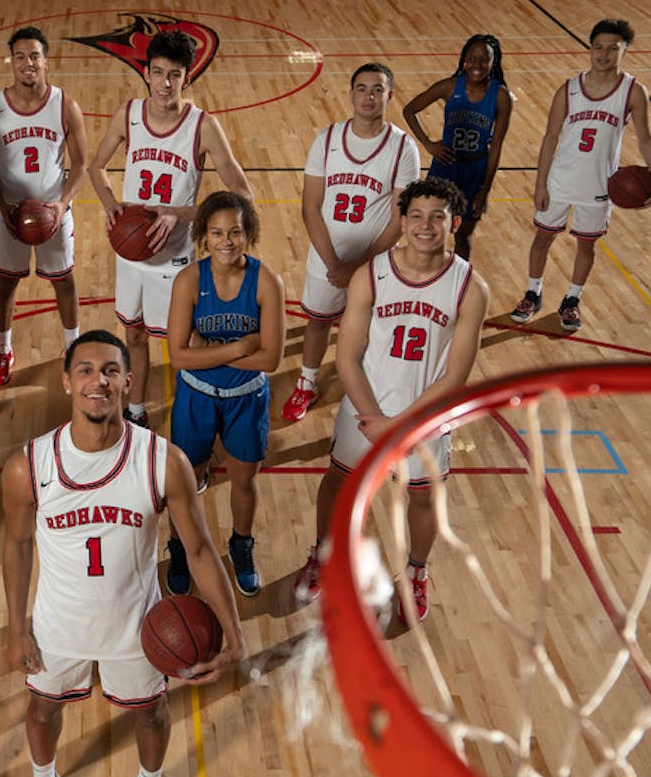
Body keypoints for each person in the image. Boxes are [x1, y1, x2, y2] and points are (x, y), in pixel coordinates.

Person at [0, 330, 245, 777]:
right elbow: (16, 545)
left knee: (151, 715)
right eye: (85, 370)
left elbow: (200, 551)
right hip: (58, 624)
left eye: (110, 370)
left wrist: (237, 635)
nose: (98, 381)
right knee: (41, 712)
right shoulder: (30, 465)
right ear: (66, 382)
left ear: (128, 381)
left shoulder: (163, 461)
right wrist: (17, 627)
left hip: (137, 628)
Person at [291, 178, 489, 624]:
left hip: (426, 418)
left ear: (454, 223)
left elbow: (455, 377)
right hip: (366, 409)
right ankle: (324, 554)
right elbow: (347, 357)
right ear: (402, 222)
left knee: (422, 499)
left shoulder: (470, 288)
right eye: (416, 216)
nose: (425, 226)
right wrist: (375, 418)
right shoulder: (372, 274)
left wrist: (401, 424)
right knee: (339, 483)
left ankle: (415, 572)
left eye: (437, 217)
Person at [89, 31, 253, 429]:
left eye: (174, 75)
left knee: (185, 348)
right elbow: (96, 167)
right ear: (145, 73)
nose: (165, 83)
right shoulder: (127, 114)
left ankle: (197, 420)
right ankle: (137, 412)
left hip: (174, 259)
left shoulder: (202, 126)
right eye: (158, 72)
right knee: (134, 337)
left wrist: (180, 213)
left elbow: (242, 196)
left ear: (187, 79)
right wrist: (112, 205)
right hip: (131, 253)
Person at [282, 62, 421, 423]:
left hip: (376, 263)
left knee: (372, 329)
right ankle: (307, 382)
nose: (369, 96)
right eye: (361, 88)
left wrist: (356, 267)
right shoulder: (327, 140)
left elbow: (399, 219)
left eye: (378, 89)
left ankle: (369, 387)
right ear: (351, 95)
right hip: (327, 259)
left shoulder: (404, 148)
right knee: (317, 323)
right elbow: (310, 207)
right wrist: (334, 266)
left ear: (390, 95)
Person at [164, 192, 285, 598]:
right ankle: (180, 546)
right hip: (196, 396)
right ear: (203, 236)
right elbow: (179, 357)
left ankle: (241, 545)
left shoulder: (267, 281)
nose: (226, 241)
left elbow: (270, 359)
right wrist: (237, 348)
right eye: (216, 232)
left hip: (246, 398)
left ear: (247, 232)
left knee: (244, 481)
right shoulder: (189, 281)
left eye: (234, 231)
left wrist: (207, 353)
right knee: (185, 479)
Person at [512, 18, 651, 333]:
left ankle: (571, 299)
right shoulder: (568, 89)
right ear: (590, 49)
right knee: (542, 238)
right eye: (598, 48)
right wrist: (540, 183)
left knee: (586, 246)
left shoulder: (633, 92)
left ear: (625, 52)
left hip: (599, 186)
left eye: (613, 48)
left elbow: (645, 138)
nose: (604, 54)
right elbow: (550, 137)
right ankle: (533, 293)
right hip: (560, 182)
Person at [0, 26, 90, 385]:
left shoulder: (65, 105)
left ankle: (72, 348)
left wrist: (60, 204)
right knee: (6, 283)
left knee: (65, 282)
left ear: (46, 62)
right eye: (20, 56)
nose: (28, 63)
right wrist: (3, 206)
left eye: (35, 56)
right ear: (12, 63)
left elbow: (81, 163)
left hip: (53, 211)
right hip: (10, 213)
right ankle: (3, 348)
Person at [403, 34, 514, 259]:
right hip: (445, 168)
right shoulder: (450, 86)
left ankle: (458, 284)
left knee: (463, 236)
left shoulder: (501, 97)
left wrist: (485, 190)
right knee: (431, 229)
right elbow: (409, 110)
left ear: (494, 62)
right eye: (471, 59)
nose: (477, 65)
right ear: (464, 60)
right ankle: (427, 278)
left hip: (475, 170)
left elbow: (497, 148)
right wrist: (429, 145)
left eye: (484, 59)